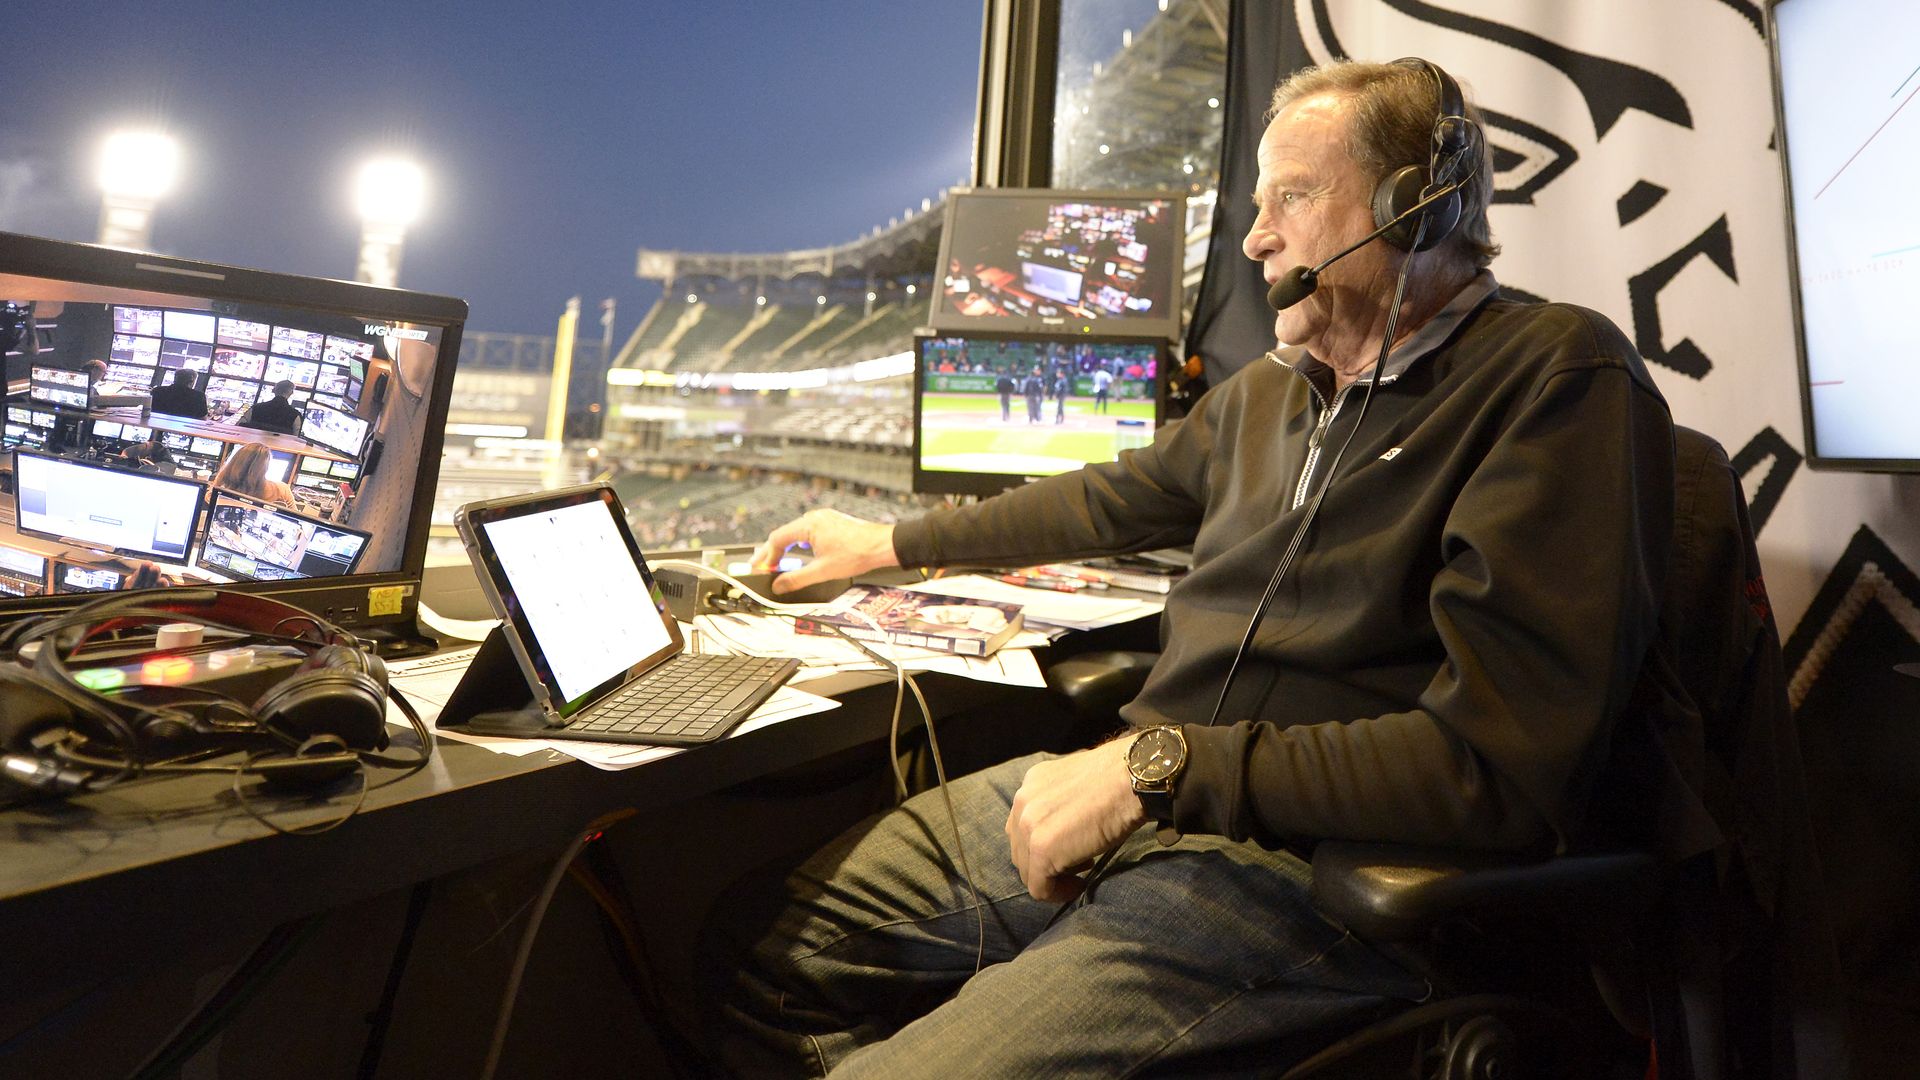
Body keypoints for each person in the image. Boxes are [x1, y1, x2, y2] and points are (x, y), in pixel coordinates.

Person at [706, 58, 1677, 1077]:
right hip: (1156, 799)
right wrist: (883, 544)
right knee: (766, 946)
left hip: (1303, 874)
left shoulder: (1553, 376)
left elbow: (1492, 771)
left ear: (1414, 208)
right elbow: (1101, 499)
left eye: (1292, 198)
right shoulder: (1270, 395)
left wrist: (1152, 769)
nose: (1257, 238)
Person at [212, 442, 295, 507]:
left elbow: (209, 499)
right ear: (265, 468)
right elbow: (295, 519)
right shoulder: (282, 490)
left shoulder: (222, 479)